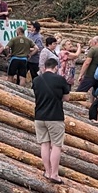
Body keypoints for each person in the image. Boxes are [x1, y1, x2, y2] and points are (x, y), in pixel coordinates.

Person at [33, 56, 72, 184]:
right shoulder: (60, 79)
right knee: (56, 145)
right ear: (56, 67)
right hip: (55, 116)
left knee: (44, 144)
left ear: (45, 67)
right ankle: (54, 174)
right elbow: (66, 98)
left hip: (39, 116)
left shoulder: (37, 80)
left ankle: (47, 171)